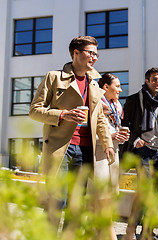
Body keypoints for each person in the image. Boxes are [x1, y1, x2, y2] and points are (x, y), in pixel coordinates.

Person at [29, 36, 116, 229]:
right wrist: (63, 115)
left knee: (76, 206)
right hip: (61, 148)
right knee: (56, 202)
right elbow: (34, 110)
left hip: (85, 150)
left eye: (96, 53)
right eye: (90, 52)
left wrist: (108, 143)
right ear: (76, 53)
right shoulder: (54, 77)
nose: (94, 57)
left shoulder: (94, 83)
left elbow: (99, 118)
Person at [121, 67, 158, 240]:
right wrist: (136, 140)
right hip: (142, 151)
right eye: (154, 79)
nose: (157, 83)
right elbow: (124, 125)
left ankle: (147, 231)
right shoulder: (135, 99)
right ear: (147, 81)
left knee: (154, 194)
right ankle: (131, 229)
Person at [94, 73, 130, 239]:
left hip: (113, 153)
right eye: (117, 86)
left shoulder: (117, 106)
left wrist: (120, 136)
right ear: (106, 87)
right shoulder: (96, 102)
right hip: (98, 154)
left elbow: (114, 127)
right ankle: (110, 234)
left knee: (110, 195)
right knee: (102, 196)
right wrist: (111, 137)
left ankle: (96, 232)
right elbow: (90, 130)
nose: (120, 90)